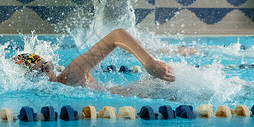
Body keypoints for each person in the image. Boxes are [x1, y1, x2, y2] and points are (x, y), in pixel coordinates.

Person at [14, 28, 185, 93]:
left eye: (47, 67)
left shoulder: (72, 73)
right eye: (40, 72)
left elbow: (117, 35)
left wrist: (149, 63)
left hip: (153, 89)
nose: (49, 74)